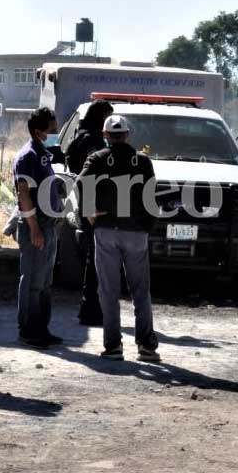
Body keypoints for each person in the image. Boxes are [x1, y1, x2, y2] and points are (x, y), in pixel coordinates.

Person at [77, 114, 160, 362]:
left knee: (108, 291)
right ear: (127, 135)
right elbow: (152, 197)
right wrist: (147, 226)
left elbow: (81, 183)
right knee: (140, 292)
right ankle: (147, 346)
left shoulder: (98, 159)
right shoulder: (143, 161)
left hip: (106, 231)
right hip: (136, 233)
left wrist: (91, 211)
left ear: (105, 135)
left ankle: (113, 347)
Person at [13, 107, 63, 349]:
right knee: (32, 281)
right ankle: (29, 330)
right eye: (52, 130)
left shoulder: (43, 154)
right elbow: (24, 194)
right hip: (37, 224)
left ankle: (42, 328)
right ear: (38, 131)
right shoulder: (27, 156)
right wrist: (34, 228)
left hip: (48, 224)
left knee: (44, 282)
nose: (56, 133)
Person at [65, 99, 114, 327]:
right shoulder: (91, 140)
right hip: (93, 207)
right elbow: (90, 175)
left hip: (87, 205)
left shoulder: (81, 135)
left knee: (93, 261)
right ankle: (91, 311)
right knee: (96, 262)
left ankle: (90, 310)